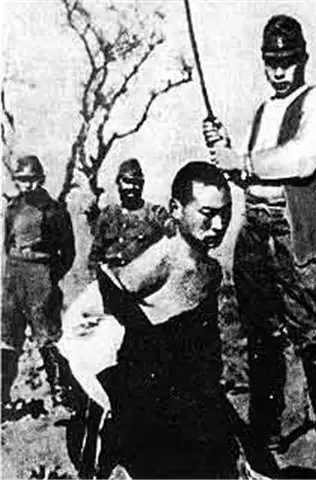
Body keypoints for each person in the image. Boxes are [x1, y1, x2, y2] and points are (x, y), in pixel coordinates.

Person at [203, 14, 316, 469]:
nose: (279, 70)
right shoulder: (263, 111)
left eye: (287, 60)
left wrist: (242, 160)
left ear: (303, 59)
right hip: (255, 231)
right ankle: (265, 432)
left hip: (297, 232)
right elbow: (247, 175)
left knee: (313, 334)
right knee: (261, 338)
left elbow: (302, 158)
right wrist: (225, 152)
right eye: (271, 61)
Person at [59, 161, 245, 479]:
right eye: (207, 213)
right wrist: (105, 387)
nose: (218, 225)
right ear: (176, 209)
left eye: (225, 214)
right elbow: (86, 315)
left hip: (187, 390)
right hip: (146, 393)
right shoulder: (159, 261)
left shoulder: (210, 270)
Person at [2, 155, 75, 414]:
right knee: (7, 340)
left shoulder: (53, 210)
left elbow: (68, 253)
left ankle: (61, 396)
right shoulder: (13, 207)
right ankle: (1, 399)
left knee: (48, 338)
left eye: (32, 179)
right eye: (22, 180)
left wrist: (49, 278)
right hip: (13, 277)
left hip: (41, 277)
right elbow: (8, 243)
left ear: (41, 179)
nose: (27, 185)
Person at [87, 158, 173, 275]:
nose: (132, 187)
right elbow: (95, 253)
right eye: (127, 181)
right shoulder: (109, 214)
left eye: (137, 183)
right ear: (118, 183)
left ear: (142, 185)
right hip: (109, 278)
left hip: (140, 279)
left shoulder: (154, 213)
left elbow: (172, 234)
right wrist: (94, 275)